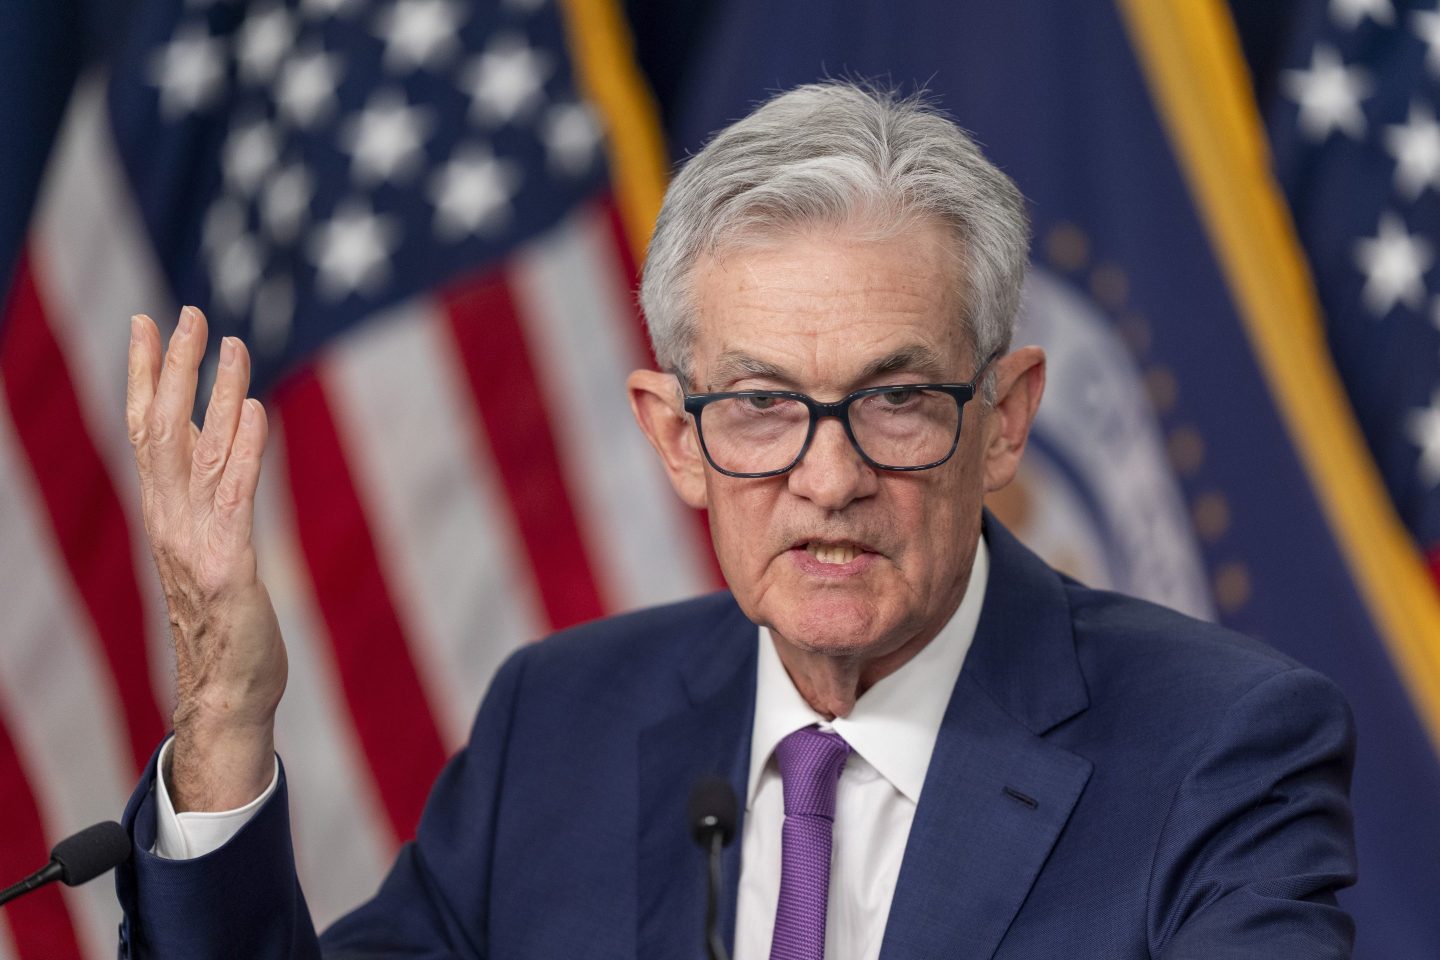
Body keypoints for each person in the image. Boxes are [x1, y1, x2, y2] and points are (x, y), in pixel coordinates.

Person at [116, 82, 1357, 959]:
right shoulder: (558, 728)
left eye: (896, 399)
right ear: (673, 437)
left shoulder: (1223, 750)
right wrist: (225, 719)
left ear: (1008, 418)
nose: (828, 478)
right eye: (762, 406)